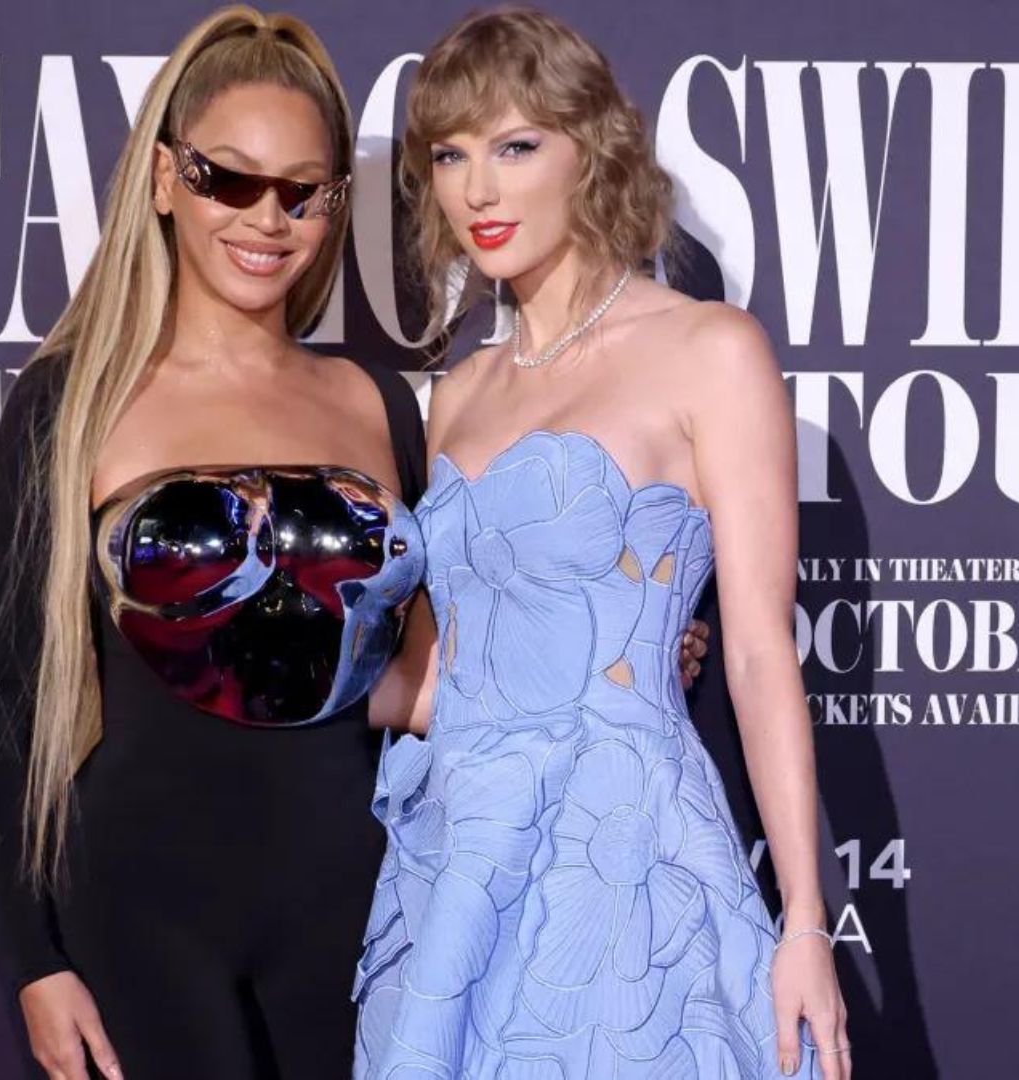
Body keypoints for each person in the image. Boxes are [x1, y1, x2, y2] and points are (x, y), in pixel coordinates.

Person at [0, 9, 709, 1078]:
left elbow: (446, 664)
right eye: (230, 179)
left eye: (302, 191)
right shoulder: (71, 401)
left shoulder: (373, 402)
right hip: (139, 916)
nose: (268, 219)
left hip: (358, 905)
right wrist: (33, 960)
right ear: (166, 177)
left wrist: (615, 654)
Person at [351, 9, 848, 1078]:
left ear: (595, 150)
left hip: (619, 863)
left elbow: (760, 651)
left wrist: (805, 918)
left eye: (515, 145)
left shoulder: (708, 350)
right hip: (459, 866)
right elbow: (439, 676)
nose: (478, 190)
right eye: (451, 155)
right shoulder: (459, 394)